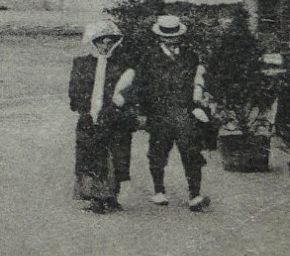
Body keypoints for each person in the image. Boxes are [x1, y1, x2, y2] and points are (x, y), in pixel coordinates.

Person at [136, 14, 212, 212]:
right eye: (167, 37)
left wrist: (198, 103)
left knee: (191, 152)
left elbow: (199, 81)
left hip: (184, 112)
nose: (171, 41)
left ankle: (195, 194)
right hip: (159, 113)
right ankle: (159, 190)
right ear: (159, 37)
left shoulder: (190, 56)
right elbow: (142, 87)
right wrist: (143, 112)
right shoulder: (148, 58)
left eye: (175, 37)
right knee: (158, 152)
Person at [68, 21, 137, 213]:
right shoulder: (82, 64)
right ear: (93, 43)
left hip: (114, 117)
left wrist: (118, 106)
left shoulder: (122, 66)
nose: (105, 46)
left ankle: (111, 196)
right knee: (92, 155)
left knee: (116, 156)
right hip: (90, 116)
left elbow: (130, 90)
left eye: (109, 42)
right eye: (101, 42)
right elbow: (74, 90)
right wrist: (86, 111)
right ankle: (96, 197)